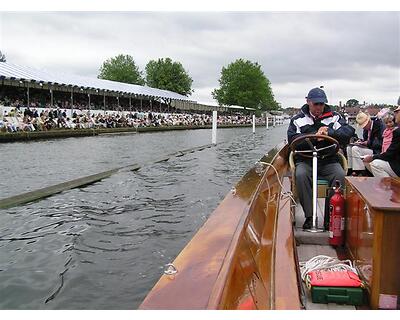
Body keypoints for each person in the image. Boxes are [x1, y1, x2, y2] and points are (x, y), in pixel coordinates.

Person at [288, 87, 355, 230]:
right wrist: (314, 137)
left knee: (339, 175)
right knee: (300, 175)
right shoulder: (297, 120)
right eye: (316, 104)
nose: (319, 107)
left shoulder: (335, 117)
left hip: (329, 159)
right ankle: (309, 216)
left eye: (321, 104)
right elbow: (292, 139)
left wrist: (328, 132)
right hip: (306, 159)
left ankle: (330, 217)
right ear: (308, 102)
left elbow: (348, 132)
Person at [363, 106, 400, 178]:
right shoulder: (387, 132)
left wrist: (373, 157)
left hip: (394, 161)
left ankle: (390, 187)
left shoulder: (396, 131)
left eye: (397, 112)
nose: (395, 114)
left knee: (375, 164)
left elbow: (390, 153)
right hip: (388, 156)